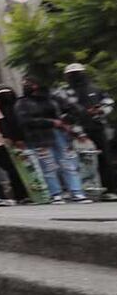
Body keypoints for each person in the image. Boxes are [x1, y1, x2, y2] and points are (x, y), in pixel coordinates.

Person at [14, 77, 91, 204]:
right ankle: (56, 194)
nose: (26, 86)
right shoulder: (22, 103)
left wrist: (67, 121)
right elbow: (25, 121)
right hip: (39, 137)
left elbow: (75, 109)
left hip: (60, 134)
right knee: (48, 166)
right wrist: (51, 122)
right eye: (24, 84)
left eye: (29, 83)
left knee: (68, 164)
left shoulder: (53, 98)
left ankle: (77, 192)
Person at [56, 63, 117, 200]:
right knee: (79, 162)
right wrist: (74, 125)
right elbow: (59, 112)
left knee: (104, 159)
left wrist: (100, 110)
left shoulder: (95, 89)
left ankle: (110, 190)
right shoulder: (63, 92)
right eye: (71, 74)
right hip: (76, 132)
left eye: (77, 73)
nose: (75, 76)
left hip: (97, 128)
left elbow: (109, 103)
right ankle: (83, 192)